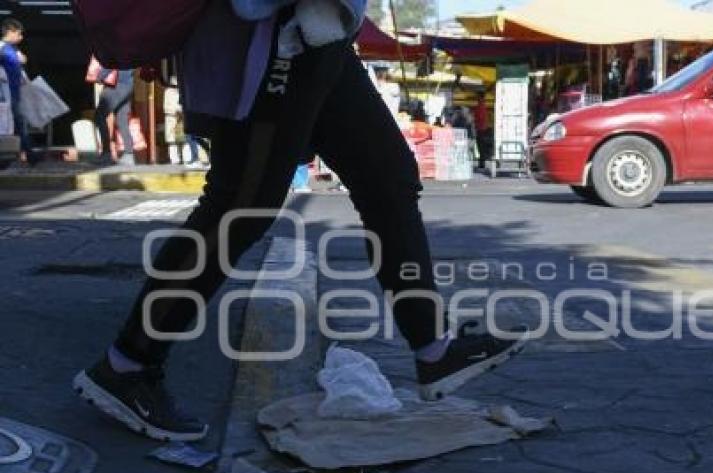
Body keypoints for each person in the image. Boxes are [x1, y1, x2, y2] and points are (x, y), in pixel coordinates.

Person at [72, 0, 528, 442]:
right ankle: (127, 364)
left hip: (320, 29)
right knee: (242, 205)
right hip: (273, 32)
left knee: (388, 179)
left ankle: (434, 348)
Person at [0, 18, 36, 165]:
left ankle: (27, 154)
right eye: (18, 34)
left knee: (16, 124)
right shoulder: (2, 48)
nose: (21, 37)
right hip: (4, 94)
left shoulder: (12, 49)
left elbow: (18, 68)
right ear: (9, 32)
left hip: (13, 93)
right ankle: (28, 154)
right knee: (10, 125)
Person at [93, 66, 135, 166]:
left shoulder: (114, 50)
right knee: (122, 121)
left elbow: (111, 63)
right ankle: (129, 155)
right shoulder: (130, 51)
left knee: (99, 116)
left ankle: (106, 154)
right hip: (128, 85)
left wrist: (99, 76)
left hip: (116, 85)